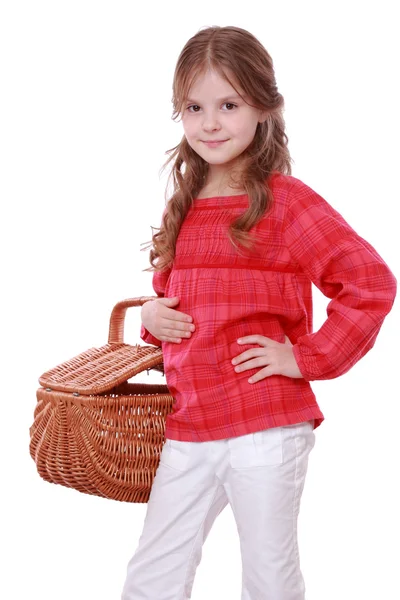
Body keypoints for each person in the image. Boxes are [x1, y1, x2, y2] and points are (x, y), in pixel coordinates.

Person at [121, 25, 397, 600]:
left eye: (229, 104)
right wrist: (151, 313)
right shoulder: (184, 204)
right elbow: (177, 304)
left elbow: (369, 282)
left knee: (269, 578)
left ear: (266, 107)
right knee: (154, 573)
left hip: (265, 424)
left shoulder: (287, 202)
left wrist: (307, 357)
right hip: (190, 422)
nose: (210, 123)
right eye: (194, 107)